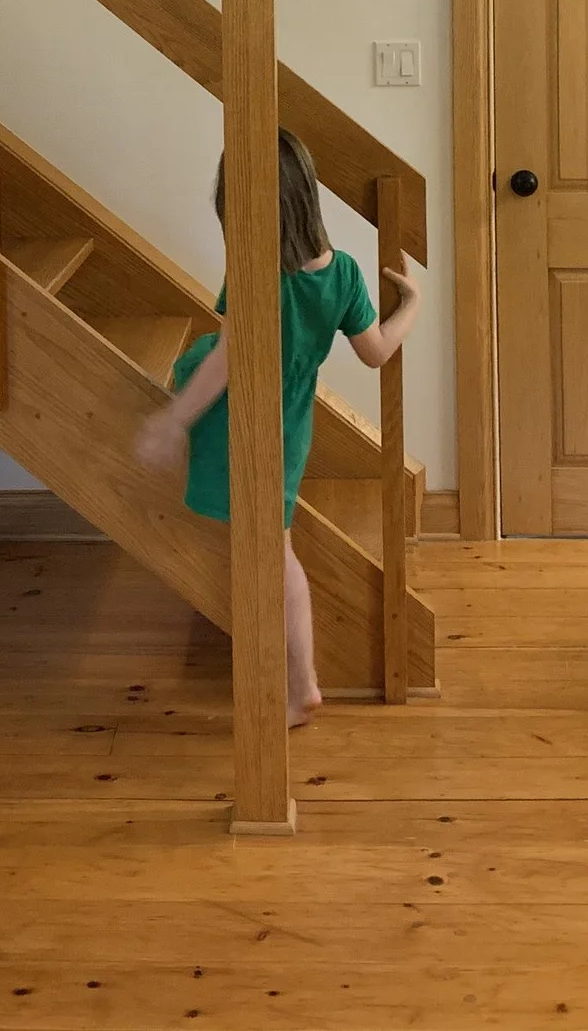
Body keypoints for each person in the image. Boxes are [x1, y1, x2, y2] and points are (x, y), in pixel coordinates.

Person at [134, 129, 423, 726]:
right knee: (268, 544)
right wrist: (412, 304)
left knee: (268, 553)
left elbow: (228, 360)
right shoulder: (341, 273)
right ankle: (295, 681)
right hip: (290, 423)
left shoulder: (256, 273)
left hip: (242, 423)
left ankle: (300, 683)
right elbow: (374, 352)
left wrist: (173, 420)